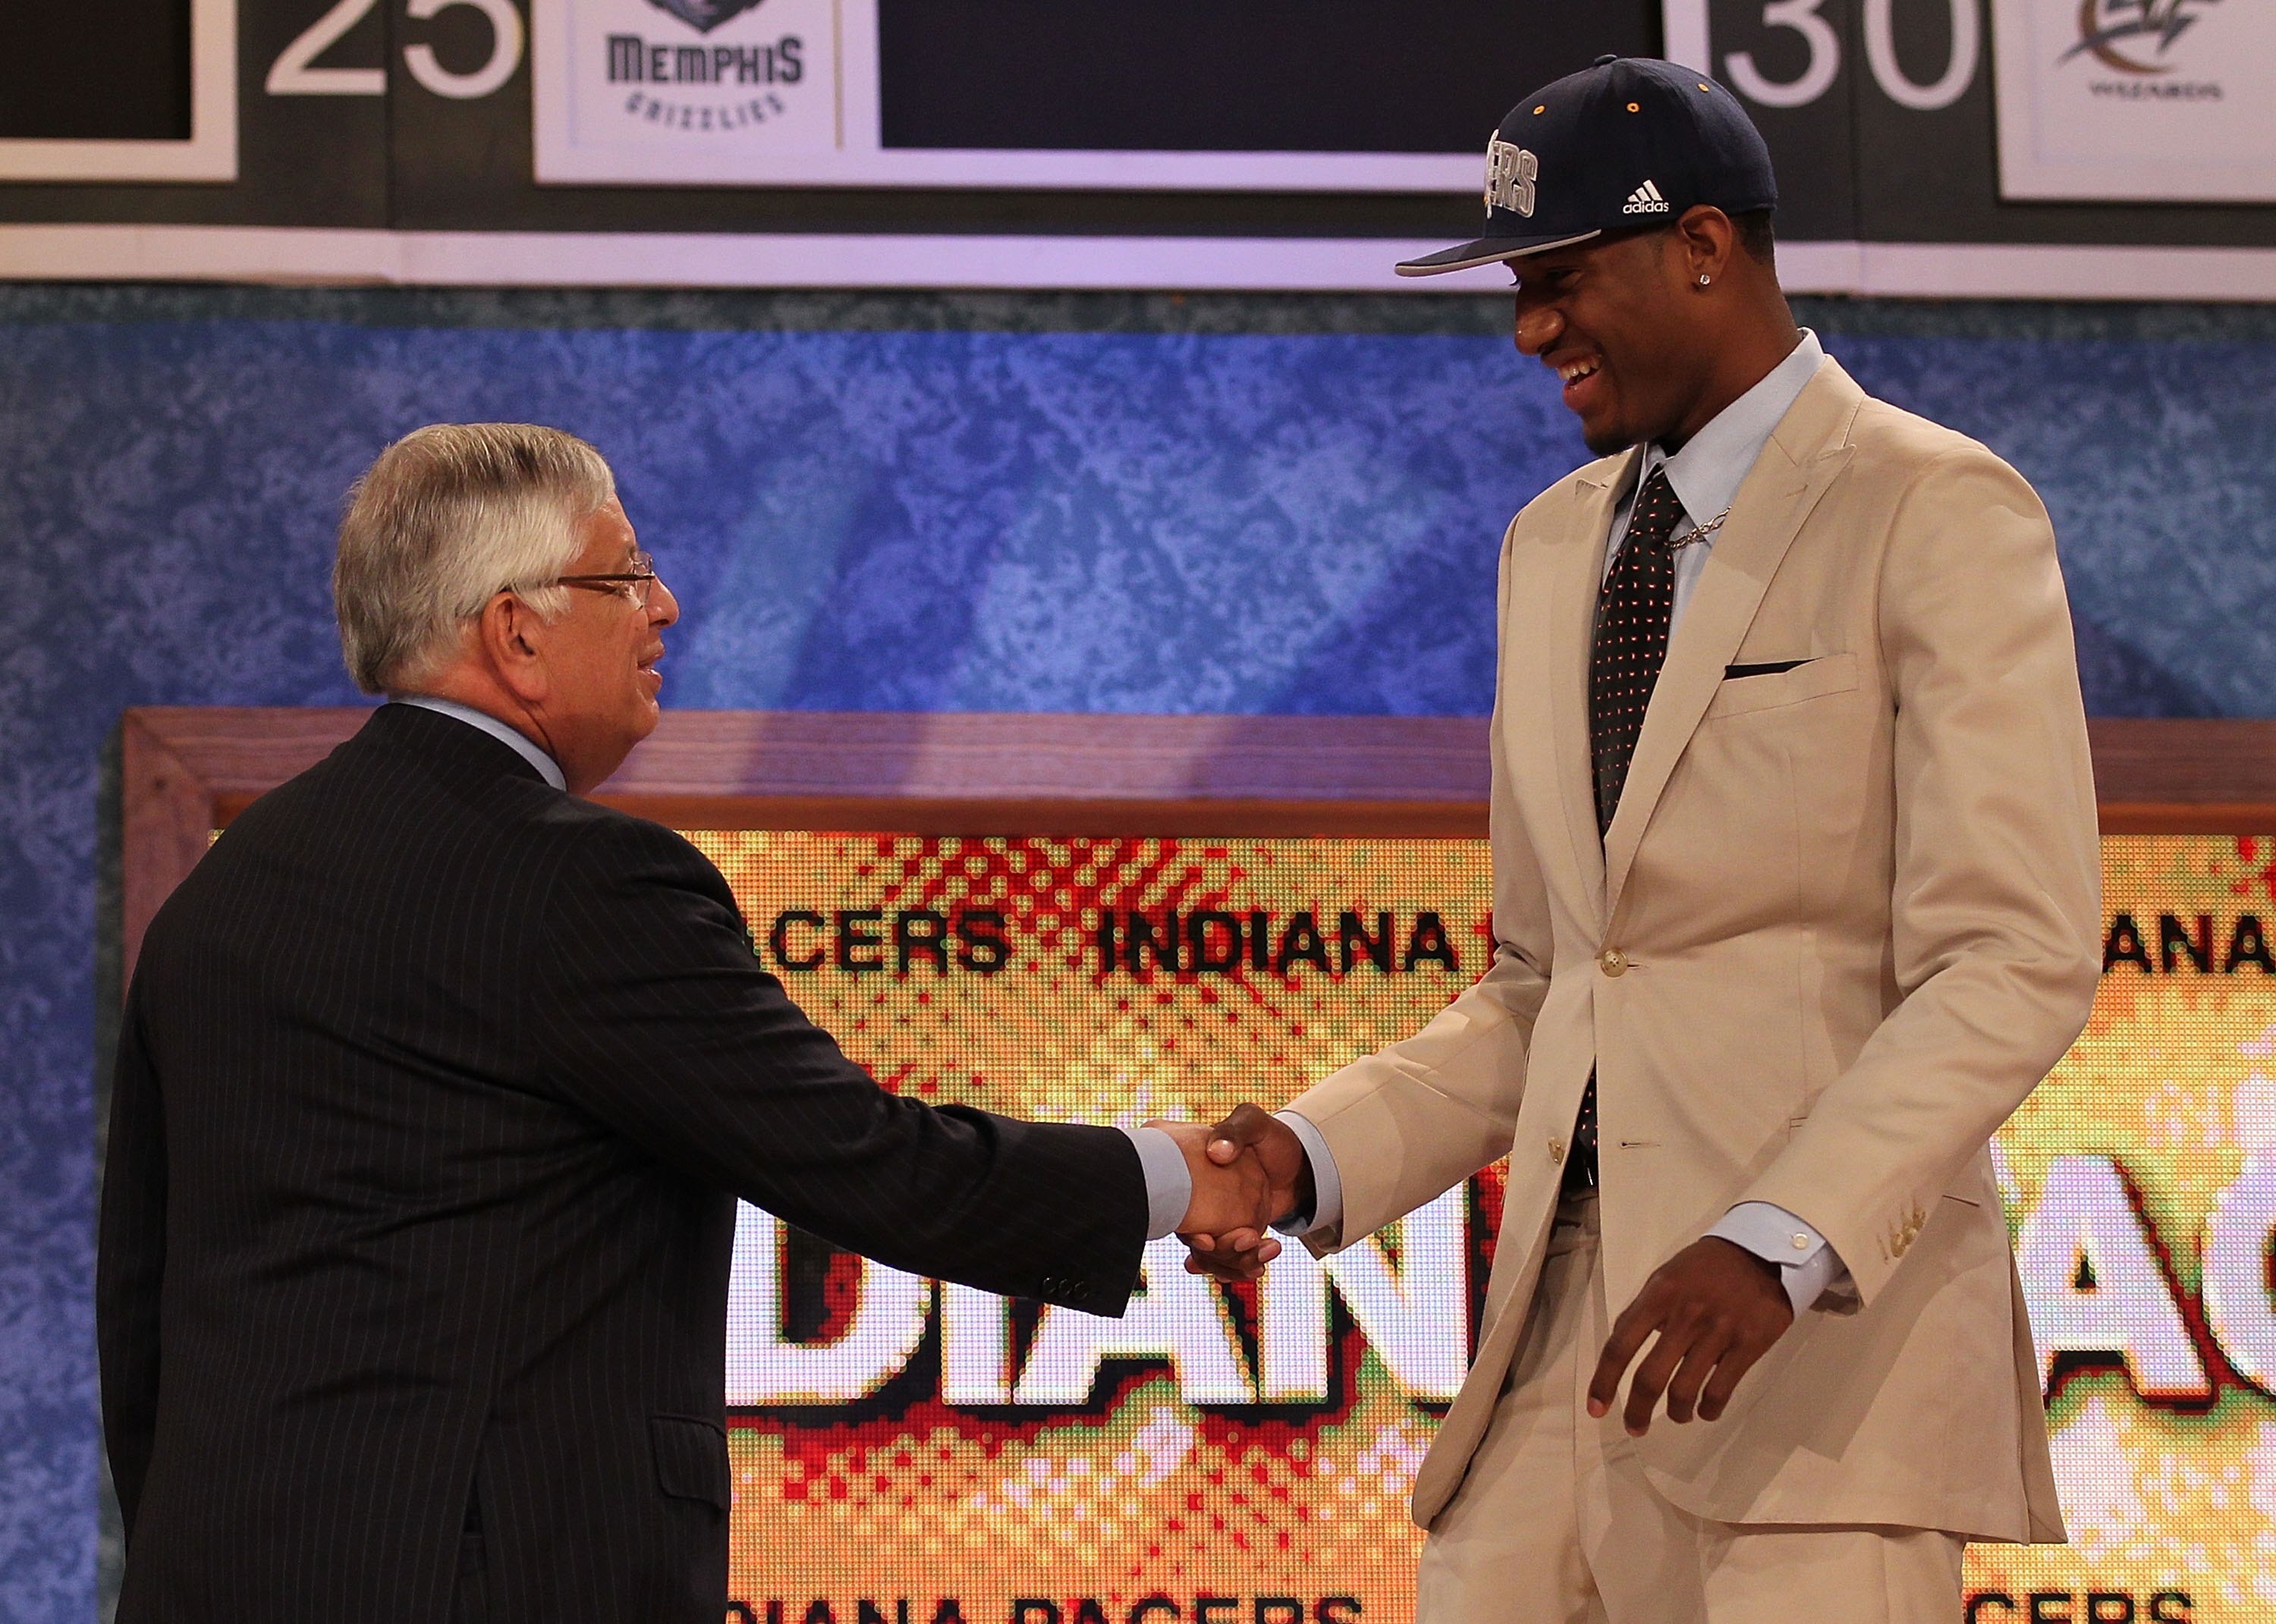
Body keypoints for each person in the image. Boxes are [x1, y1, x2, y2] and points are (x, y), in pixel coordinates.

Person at [1183, 55, 2100, 1623]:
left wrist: (1778, 1236)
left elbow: (2012, 955)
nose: (1530, 329)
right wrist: (1314, 1150)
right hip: (1556, 1358)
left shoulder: (1936, 507)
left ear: (1703, 246)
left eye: (1561, 279)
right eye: (1518, 290)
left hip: (1819, 1373)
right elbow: (1551, 983)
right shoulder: (1550, 545)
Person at [97, 423, 1272, 1624]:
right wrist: (1177, 1176)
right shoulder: (578, 882)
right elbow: (867, 1159)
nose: (663, 605)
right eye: (625, 576)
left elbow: (143, 1310)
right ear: (516, 633)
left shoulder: (221, 895)